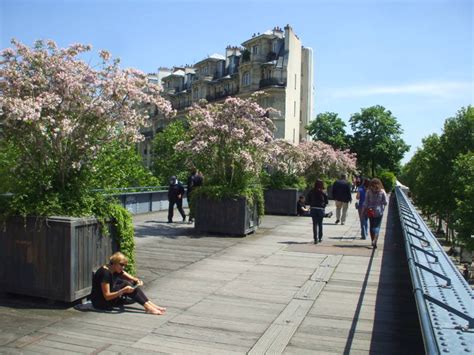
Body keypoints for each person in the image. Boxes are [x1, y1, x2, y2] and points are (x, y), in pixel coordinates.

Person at [90, 252, 166, 315]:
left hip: (109, 299)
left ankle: (151, 305)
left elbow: (126, 275)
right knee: (126, 284)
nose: (123, 267)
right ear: (114, 263)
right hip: (101, 303)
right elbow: (107, 296)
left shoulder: (114, 269)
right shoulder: (105, 273)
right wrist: (123, 291)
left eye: (124, 265)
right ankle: (148, 307)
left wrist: (136, 280)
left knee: (129, 283)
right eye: (121, 265)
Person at [363, 178, 388, 249]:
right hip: (379, 211)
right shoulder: (382, 191)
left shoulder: (368, 191)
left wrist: (363, 211)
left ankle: (372, 241)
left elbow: (365, 202)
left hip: (370, 210)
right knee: (377, 226)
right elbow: (385, 202)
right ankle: (375, 240)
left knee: (371, 226)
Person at [306, 179, 329, 244]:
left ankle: (315, 239)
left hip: (313, 208)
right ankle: (320, 237)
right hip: (320, 209)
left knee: (314, 224)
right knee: (320, 224)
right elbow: (326, 201)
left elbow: (307, 200)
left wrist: (311, 204)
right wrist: (323, 206)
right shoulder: (323, 192)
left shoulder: (311, 191)